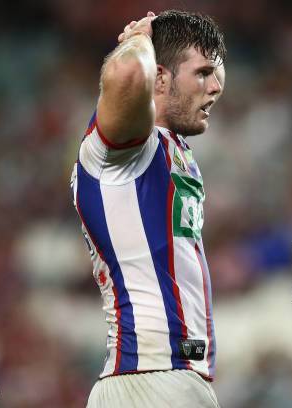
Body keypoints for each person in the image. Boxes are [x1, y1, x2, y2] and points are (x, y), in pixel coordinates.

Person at [70, 9, 226, 407]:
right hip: (147, 383)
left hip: (170, 378)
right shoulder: (122, 152)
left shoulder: (173, 152)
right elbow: (126, 75)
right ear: (159, 77)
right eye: (203, 72)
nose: (217, 86)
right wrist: (138, 38)